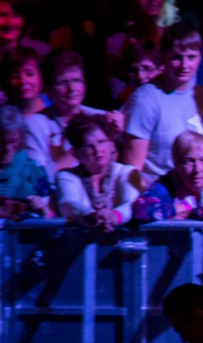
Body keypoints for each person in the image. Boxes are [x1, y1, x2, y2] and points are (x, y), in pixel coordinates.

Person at [121, 22, 203, 189]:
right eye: (177, 57)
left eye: (191, 57)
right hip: (158, 195)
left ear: (200, 57)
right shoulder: (146, 99)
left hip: (196, 197)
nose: (184, 65)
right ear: (164, 57)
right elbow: (132, 171)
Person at [26, 50, 124, 184]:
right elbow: (37, 179)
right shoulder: (34, 125)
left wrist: (114, 138)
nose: (71, 89)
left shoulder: (99, 117)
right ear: (48, 90)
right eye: (62, 83)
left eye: (76, 80)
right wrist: (79, 149)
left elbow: (114, 171)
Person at [133, 130, 203, 224]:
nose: (197, 169)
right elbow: (140, 210)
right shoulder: (167, 183)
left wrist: (190, 212)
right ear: (176, 162)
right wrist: (180, 208)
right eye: (189, 161)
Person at [56, 114, 141, 230]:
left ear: (111, 144)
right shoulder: (66, 176)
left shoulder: (128, 172)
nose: (98, 151)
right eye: (89, 146)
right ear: (76, 153)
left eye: (101, 142)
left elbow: (132, 203)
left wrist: (113, 217)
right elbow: (68, 203)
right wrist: (94, 216)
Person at [0, 104, 51, 219]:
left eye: (14, 141)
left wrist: (43, 210)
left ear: (22, 139)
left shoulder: (33, 170)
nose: (8, 149)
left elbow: (52, 218)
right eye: (2, 142)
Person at [0, 47, 45, 116]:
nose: (23, 81)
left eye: (29, 74)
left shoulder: (55, 108)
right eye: (15, 76)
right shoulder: (3, 114)